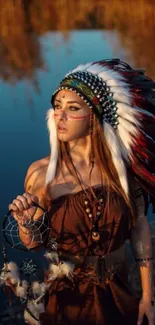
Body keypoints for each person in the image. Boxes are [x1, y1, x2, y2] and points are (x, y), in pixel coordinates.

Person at [8, 59, 155, 325]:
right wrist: (26, 223)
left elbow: (139, 226)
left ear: (95, 117)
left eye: (72, 108)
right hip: (67, 300)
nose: (59, 116)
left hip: (118, 292)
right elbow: (31, 243)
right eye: (57, 107)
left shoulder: (121, 171)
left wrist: (147, 295)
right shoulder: (42, 174)